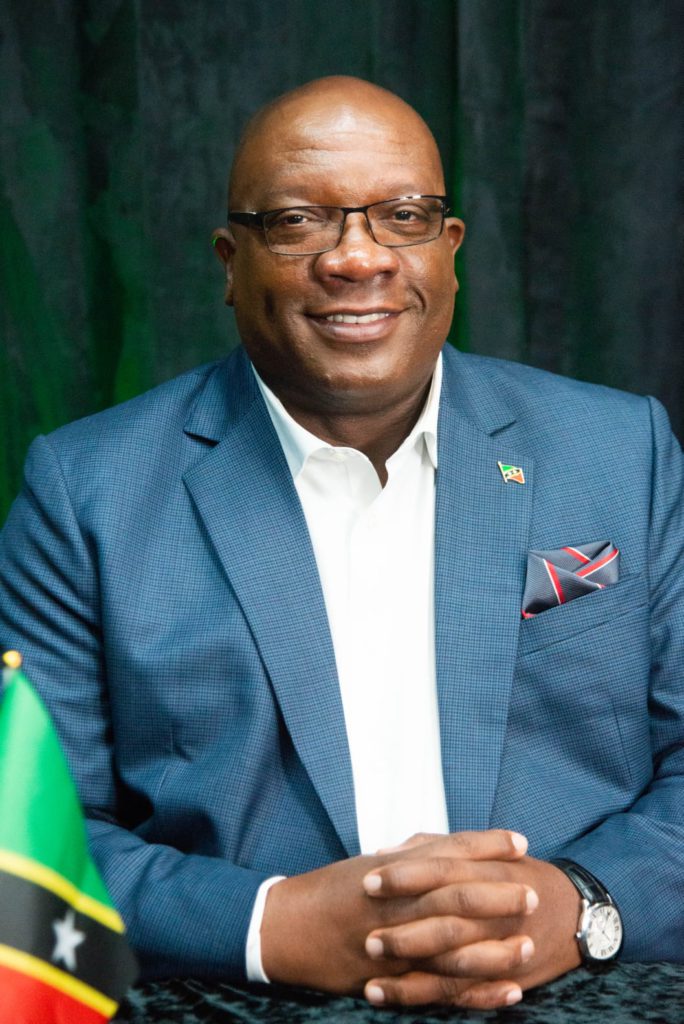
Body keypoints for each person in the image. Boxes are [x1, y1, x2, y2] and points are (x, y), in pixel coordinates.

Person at [1, 76, 683, 1011]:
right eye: (297, 222)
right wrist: (271, 925)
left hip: (586, 990)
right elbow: (31, 839)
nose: (358, 259)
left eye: (403, 217)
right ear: (230, 262)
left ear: (450, 250)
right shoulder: (87, 493)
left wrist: (580, 906)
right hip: (238, 999)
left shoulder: (621, 451)